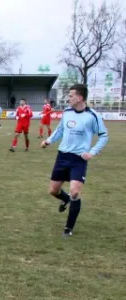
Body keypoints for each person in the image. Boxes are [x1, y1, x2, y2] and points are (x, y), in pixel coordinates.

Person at [41, 84, 108, 237]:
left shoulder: (92, 116)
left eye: (71, 95)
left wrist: (92, 152)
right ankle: (65, 200)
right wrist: (49, 141)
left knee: (75, 192)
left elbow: (104, 135)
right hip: (63, 156)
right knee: (53, 191)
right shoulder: (67, 112)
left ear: (80, 97)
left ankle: (68, 228)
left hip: (79, 159)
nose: (68, 98)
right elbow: (60, 130)